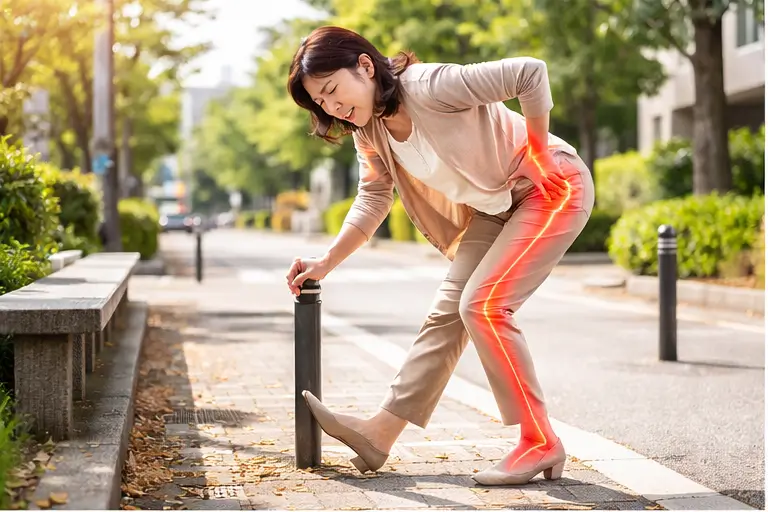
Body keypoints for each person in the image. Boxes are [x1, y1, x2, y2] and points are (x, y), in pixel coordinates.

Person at [284, 26, 594, 486]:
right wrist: (327, 261)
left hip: (551, 187)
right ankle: (378, 435)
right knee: (447, 313)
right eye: (321, 103)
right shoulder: (368, 131)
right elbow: (373, 199)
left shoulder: (431, 85)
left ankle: (539, 442)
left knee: (484, 306)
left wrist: (536, 149)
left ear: (365, 67)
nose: (331, 107)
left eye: (332, 90)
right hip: (496, 206)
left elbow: (531, 73)